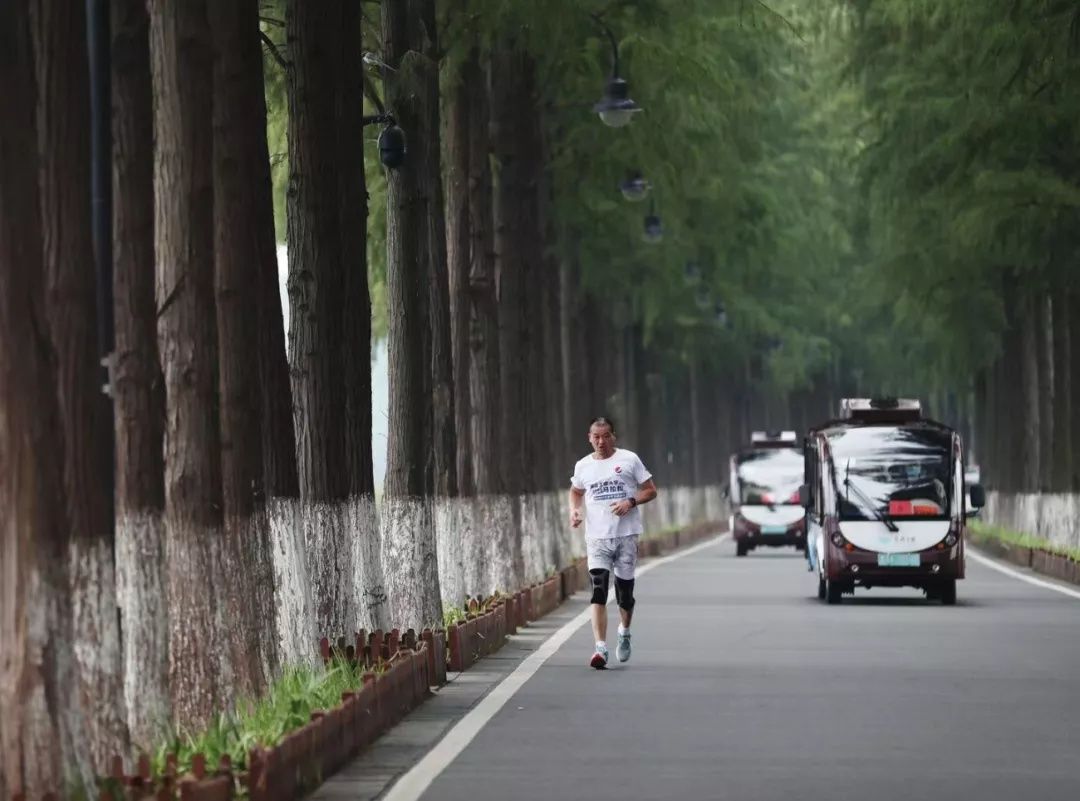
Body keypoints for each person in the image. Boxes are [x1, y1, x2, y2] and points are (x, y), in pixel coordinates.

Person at [569, 416, 658, 669]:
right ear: (589, 438)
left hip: (626, 536)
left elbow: (651, 490)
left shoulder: (628, 460)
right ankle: (600, 648)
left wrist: (630, 501)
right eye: (596, 437)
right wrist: (574, 511)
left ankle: (625, 632)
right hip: (597, 538)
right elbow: (576, 491)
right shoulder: (583, 466)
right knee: (598, 588)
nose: (600, 441)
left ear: (613, 437)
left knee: (624, 595)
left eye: (605, 436)